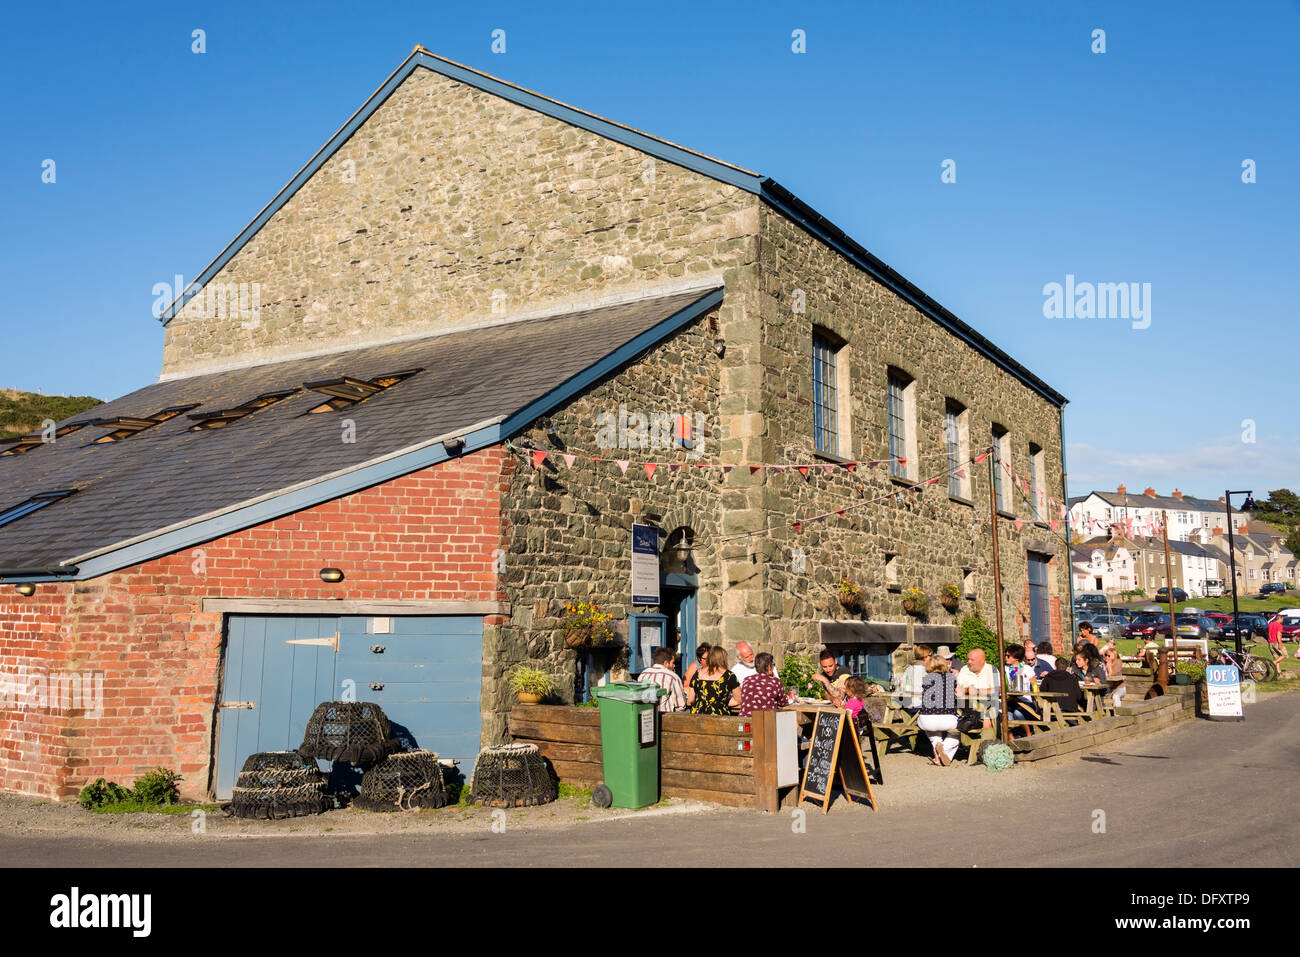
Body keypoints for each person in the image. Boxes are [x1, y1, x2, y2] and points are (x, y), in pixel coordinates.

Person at [918, 656, 960, 765]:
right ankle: (944, 751)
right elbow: (958, 693)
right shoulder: (951, 678)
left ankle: (937, 745)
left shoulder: (926, 678)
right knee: (957, 733)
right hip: (947, 719)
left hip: (926, 719)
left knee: (931, 729)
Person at [686, 645, 739, 716]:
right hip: (719, 717)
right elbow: (738, 700)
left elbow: (691, 699)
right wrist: (721, 702)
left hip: (698, 717)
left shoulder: (698, 674)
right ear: (723, 659)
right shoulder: (729, 676)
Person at [956, 647, 1000, 730]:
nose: (968, 662)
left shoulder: (992, 669)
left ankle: (987, 741)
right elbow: (957, 689)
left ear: (982, 661)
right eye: (968, 659)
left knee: (987, 719)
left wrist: (978, 691)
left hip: (988, 706)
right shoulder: (964, 669)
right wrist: (967, 690)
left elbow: (997, 691)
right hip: (967, 707)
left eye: (972, 660)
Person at [732, 652, 786, 717]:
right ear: (769, 667)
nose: (774, 667)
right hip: (765, 721)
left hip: (745, 721)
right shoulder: (775, 681)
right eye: (773, 664)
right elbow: (783, 702)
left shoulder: (747, 680)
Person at [638, 647, 686, 713]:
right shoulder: (672, 677)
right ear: (666, 663)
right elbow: (680, 705)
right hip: (664, 717)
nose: (674, 665)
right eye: (672, 663)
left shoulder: (643, 674)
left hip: (645, 715)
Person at [895, 645, 932, 712]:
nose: (931, 658)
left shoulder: (909, 668)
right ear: (925, 657)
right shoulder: (923, 670)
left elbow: (900, 685)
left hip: (907, 704)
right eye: (930, 655)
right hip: (919, 705)